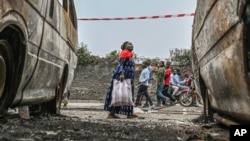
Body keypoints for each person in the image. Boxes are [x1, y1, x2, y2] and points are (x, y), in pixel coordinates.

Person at [104, 41, 138, 119]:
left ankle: (129, 113)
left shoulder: (130, 55)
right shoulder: (124, 53)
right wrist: (121, 73)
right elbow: (120, 64)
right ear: (124, 46)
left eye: (132, 44)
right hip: (123, 76)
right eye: (128, 44)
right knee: (119, 94)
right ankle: (111, 113)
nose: (131, 45)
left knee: (127, 95)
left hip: (129, 77)